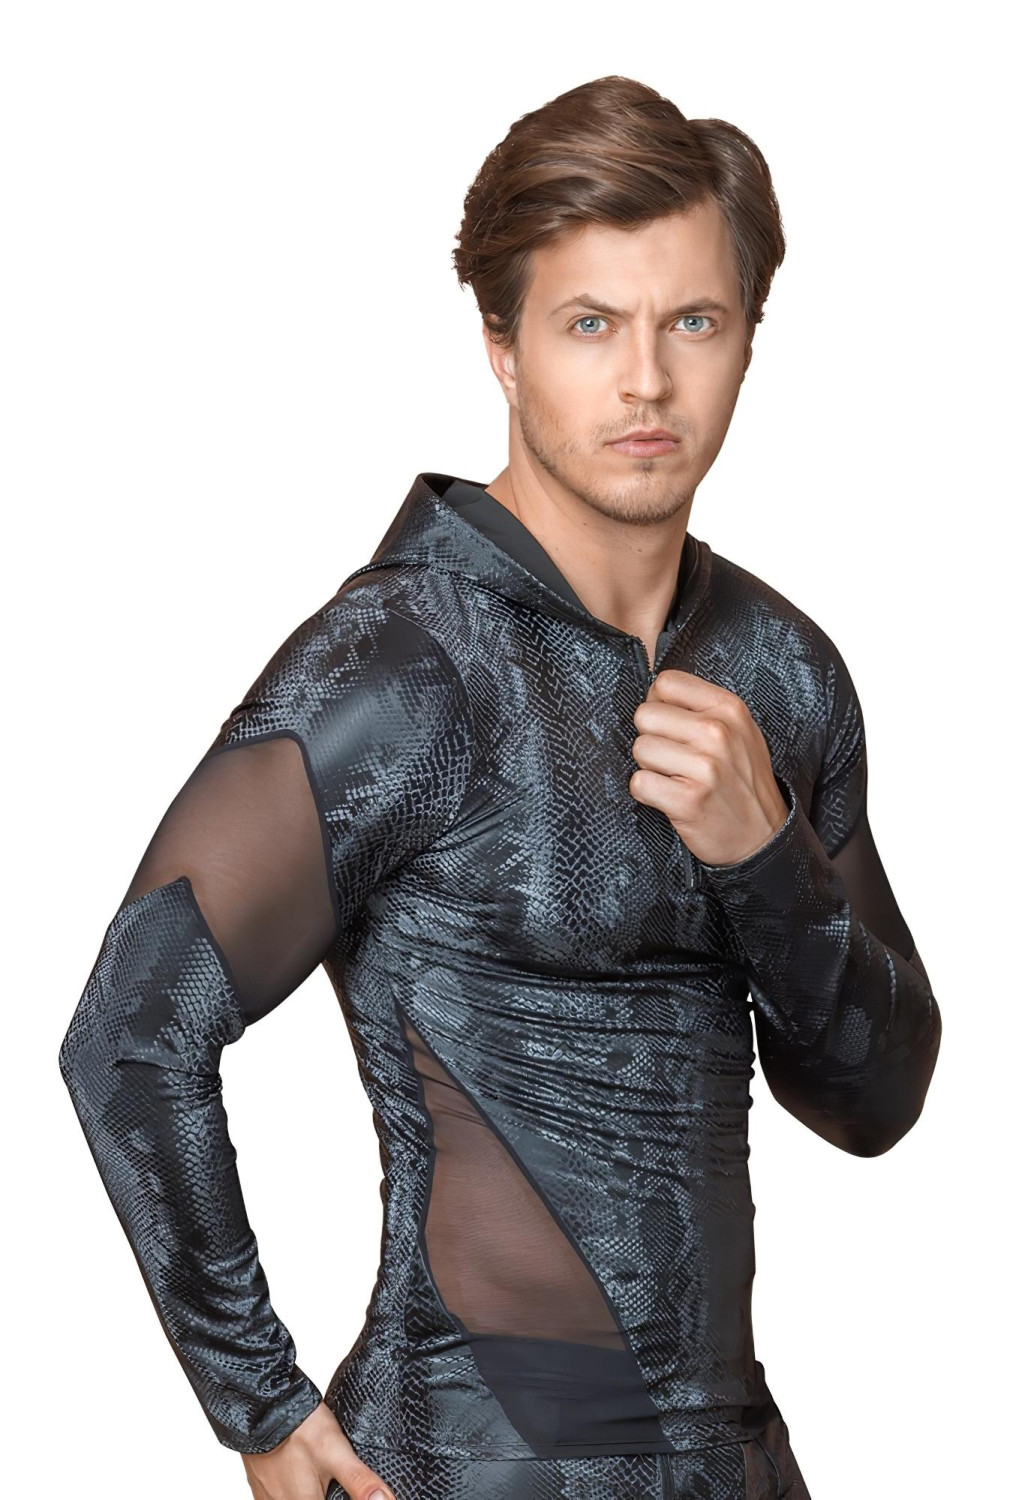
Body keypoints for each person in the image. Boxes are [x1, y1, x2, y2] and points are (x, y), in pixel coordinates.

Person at [58, 75, 941, 1500]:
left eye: (691, 322)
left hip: (732, 1462)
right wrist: (258, 1402)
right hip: (470, 1461)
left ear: (746, 340)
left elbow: (874, 1099)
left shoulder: (779, 669)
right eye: (590, 324)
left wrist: (764, 856)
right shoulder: (403, 665)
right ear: (503, 348)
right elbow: (128, 1034)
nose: (645, 382)